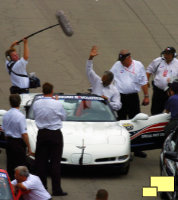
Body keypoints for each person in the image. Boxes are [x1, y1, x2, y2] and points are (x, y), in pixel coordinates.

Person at [110, 49, 149, 158]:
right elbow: (110, 78)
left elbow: (144, 81)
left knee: (136, 122)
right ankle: (122, 150)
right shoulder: (117, 65)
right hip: (120, 97)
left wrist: (146, 96)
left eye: (123, 60)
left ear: (129, 58)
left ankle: (137, 149)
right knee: (121, 122)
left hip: (133, 97)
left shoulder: (138, 65)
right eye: (121, 60)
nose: (122, 62)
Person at [32, 82, 67, 196]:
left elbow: (35, 115)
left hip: (42, 133)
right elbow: (64, 117)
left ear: (43, 91)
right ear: (52, 91)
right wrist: (56, 101)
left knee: (41, 163)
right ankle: (57, 189)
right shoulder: (57, 104)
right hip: (55, 134)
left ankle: (42, 188)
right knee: (55, 163)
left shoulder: (37, 103)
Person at [2, 94, 32, 180]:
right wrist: (29, 147)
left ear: (10, 103)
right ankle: (20, 186)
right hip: (18, 143)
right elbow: (24, 134)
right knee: (20, 166)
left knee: (10, 165)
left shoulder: (6, 115)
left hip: (9, 142)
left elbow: (4, 131)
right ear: (19, 102)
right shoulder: (20, 116)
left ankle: (11, 185)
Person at [86, 46, 122, 111]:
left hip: (105, 114)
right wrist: (90, 58)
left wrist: (107, 102)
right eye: (102, 79)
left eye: (105, 81)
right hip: (91, 111)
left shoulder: (114, 91)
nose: (102, 82)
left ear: (110, 82)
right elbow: (89, 70)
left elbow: (118, 106)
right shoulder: (97, 81)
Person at [146, 47, 178, 115]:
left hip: (170, 92)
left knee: (170, 111)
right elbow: (149, 70)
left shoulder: (177, 64)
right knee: (155, 111)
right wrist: (146, 81)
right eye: (165, 54)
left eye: (169, 54)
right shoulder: (157, 61)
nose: (166, 56)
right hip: (158, 91)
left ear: (173, 55)